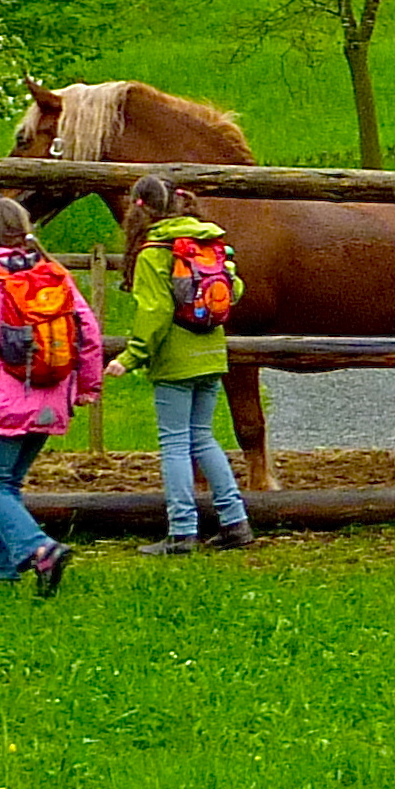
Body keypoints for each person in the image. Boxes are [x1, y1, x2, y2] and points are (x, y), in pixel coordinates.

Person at [0, 194, 104, 597]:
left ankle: (40, 549)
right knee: (10, 483)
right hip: (53, 393)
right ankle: (2, 569)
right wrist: (87, 385)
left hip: (10, 395)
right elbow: (88, 333)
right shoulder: (53, 276)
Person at [107, 173, 253, 554]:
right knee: (203, 438)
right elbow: (234, 290)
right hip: (211, 354)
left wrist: (131, 356)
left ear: (139, 209)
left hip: (175, 361)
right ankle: (235, 521)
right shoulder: (210, 243)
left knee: (173, 443)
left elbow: (155, 311)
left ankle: (182, 530)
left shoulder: (155, 252)